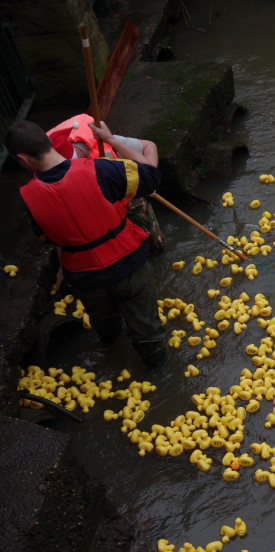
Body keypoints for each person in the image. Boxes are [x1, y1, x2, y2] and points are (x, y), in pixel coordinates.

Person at [5, 118, 168, 367]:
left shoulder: (29, 197)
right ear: (49, 142)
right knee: (148, 332)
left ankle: (113, 354)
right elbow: (152, 178)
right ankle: (159, 369)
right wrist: (112, 140)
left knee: (106, 327)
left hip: (85, 277)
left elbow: (46, 237)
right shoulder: (102, 170)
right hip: (128, 264)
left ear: (24, 160)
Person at [46, 113, 166, 253]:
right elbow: (59, 223)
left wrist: (147, 181)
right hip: (95, 214)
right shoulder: (51, 180)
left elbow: (149, 148)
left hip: (125, 195)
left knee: (156, 244)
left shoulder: (101, 141)